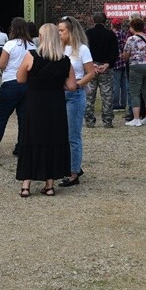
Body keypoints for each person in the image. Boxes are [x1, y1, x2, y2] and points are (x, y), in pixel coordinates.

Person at [15, 23, 77, 197]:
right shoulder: (64, 60)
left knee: (31, 139)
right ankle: (49, 184)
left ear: (41, 38)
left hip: (35, 103)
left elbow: (20, 78)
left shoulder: (31, 56)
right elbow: (72, 86)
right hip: (55, 104)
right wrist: (58, 83)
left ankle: (26, 185)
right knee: (53, 139)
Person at [0, 17, 34, 159]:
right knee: (23, 119)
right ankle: (21, 147)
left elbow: (1, 65)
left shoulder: (10, 45)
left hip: (11, 82)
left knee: (1, 118)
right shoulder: (32, 45)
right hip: (27, 83)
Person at [57, 15, 95, 187]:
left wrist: (76, 85)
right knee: (61, 134)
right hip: (59, 94)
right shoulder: (59, 48)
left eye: (62, 30)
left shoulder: (82, 49)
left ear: (71, 31)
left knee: (73, 135)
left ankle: (74, 173)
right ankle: (69, 166)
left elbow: (90, 72)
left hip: (74, 95)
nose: (59, 33)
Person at [84, 12, 118, 128]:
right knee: (107, 95)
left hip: (90, 68)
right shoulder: (110, 34)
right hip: (105, 69)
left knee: (89, 95)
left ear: (93, 20)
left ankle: (89, 120)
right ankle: (107, 121)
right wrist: (107, 64)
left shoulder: (87, 34)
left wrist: (91, 64)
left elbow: (84, 51)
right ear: (105, 21)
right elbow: (115, 52)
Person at [122, 17, 146, 126]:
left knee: (134, 92)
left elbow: (126, 55)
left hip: (136, 66)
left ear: (132, 27)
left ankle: (136, 119)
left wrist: (123, 56)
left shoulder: (131, 39)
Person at [111, 18, 129, 111]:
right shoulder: (124, 33)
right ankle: (123, 104)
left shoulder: (113, 34)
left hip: (116, 61)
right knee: (124, 84)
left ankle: (116, 104)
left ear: (112, 25)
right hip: (124, 60)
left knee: (116, 84)